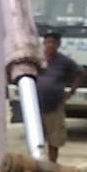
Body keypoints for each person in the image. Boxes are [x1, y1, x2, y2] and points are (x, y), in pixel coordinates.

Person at [34, 30, 82, 161]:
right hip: (35, 105)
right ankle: (36, 164)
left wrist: (71, 91)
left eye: (54, 43)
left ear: (58, 44)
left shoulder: (64, 61)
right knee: (36, 138)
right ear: (44, 43)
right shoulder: (36, 59)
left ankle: (52, 165)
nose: (51, 45)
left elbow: (81, 73)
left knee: (54, 139)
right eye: (48, 42)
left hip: (54, 105)